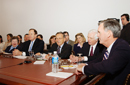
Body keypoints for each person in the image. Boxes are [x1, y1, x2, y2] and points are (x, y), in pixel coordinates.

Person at [75, 19, 130, 85]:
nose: (97, 35)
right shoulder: (107, 48)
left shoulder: (122, 46)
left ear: (108, 34)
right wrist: (85, 64)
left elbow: (109, 66)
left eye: (99, 32)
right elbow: (99, 60)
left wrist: (84, 69)